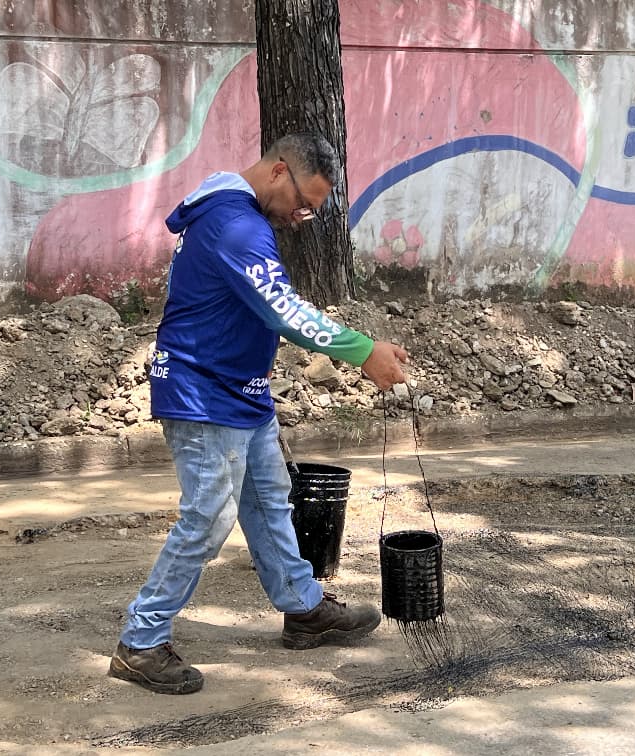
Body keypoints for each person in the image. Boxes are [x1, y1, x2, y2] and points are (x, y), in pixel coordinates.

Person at [108, 133, 410, 694]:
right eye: (303, 201)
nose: (303, 216)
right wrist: (364, 351)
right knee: (208, 518)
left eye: (314, 211)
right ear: (278, 171)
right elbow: (285, 312)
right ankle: (141, 642)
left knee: (270, 502)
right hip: (205, 393)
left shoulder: (233, 215)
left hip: (238, 389)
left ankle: (303, 609)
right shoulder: (237, 227)